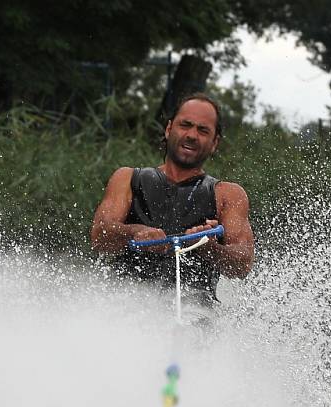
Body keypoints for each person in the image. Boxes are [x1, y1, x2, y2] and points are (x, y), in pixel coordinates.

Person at [91, 93, 254, 302]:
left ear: (215, 143)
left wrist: (208, 247)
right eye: (185, 125)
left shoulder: (228, 195)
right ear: (169, 130)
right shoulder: (127, 178)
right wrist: (134, 232)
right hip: (127, 305)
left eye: (203, 130)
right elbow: (99, 235)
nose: (192, 135)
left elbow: (243, 265)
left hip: (194, 314)